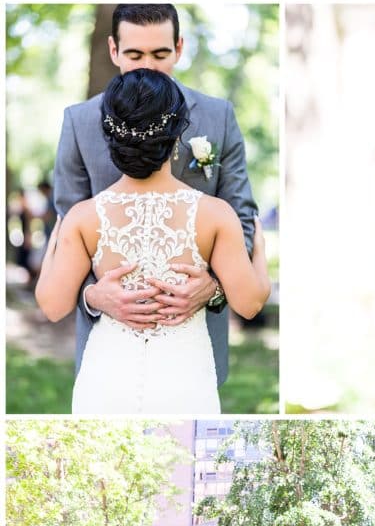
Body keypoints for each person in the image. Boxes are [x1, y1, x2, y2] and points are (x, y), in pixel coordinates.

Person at [35, 69, 270, 413]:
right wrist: (259, 254)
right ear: (178, 134)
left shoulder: (84, 217)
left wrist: (53, 255)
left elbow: (52, 305)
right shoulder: (215, 215)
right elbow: (250, 303)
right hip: (186, 381)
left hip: (104, 381)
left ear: (110, 135)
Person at [53, 3, 257, 389]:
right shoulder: (79, 121)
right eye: (134, 54)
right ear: (113, 50)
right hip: (108, 341)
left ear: (179, 48)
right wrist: (94, 296)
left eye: (160, 54)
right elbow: (66, 223)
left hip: (192, 341)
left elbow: (241, 214)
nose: (147, 65)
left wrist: (212, 286)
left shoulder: (218, 115)